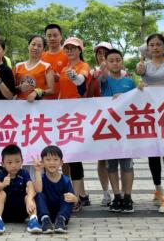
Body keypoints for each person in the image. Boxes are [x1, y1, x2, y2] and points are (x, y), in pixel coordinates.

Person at [136, 33, 164, 213]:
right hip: (149, 115)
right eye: (151, 45)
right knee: (153, 154)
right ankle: (158, 188)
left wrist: (149, 88)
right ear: (148, 48)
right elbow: (139, 82)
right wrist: (140, 82)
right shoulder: (143, 66)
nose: (155, 48)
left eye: (158, 44)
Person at [100, 49, 137, 213]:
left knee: (127, 164)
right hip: (108, 128)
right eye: (111, 60)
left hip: (126, 128)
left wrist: (125, 97)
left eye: (118, 60)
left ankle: (127, 197)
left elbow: (137, 102)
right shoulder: (102, 80)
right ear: (106, 63)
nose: (115, 63)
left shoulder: (130, 82)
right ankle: (116, 196)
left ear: (122, 62)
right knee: (111, 164)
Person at [58, 37, 91, 210]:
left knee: (75, 158)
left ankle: (76, 199)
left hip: (77, 116)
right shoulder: (64, 68)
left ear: (80, 50)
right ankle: (81, 195)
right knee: (67, 158)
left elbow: (81, 81)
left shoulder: (83, 66)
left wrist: (74, 76)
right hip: (64, 117)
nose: (70, 50)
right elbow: (61, 92)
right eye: (67, 48)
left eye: (74, 48)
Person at [0, 144, 41, 235]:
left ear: (22, 161)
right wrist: (3, 184)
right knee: (0, 193)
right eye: (10, 162)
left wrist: (30, 199)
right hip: (5, 213)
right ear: (3, 164)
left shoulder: (24, 173)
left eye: (17, 161)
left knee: (29, 196)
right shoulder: (1, 173)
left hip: (21, 213)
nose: (14, 165)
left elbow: (30, 185)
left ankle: (33, 220)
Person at [88, 42, 114, 206]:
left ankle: (119, 192)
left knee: (118, 158)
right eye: (99, 53)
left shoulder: (122, 73)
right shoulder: (93, 72)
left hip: (117, 120)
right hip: (100, 119)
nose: (102, 55)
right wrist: (94, 77)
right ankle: (106, 193)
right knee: (102, 159)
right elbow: (89, 94)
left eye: (105, 52)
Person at [33, 145, 76, 234]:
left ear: (61, 162)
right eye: (48, 160)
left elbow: (73, 200)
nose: (52, 163)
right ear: (42, 162)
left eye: (55, 159)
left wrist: (75, 199)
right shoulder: (41, 178)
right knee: (39, 195)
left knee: (68, 196)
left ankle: (61, 220)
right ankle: (45, 220)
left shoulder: (65, 180)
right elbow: (38, 190)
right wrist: (37, 171)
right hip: (44, 211)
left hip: (61, 212)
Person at [13, 35, 55, 101]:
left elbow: (51, 90)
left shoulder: (46, 67)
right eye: (33, 44)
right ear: (28, 46)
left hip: (37, 105)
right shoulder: (18, 66)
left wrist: (36, 92)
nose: (35, 48)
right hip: (19, 105)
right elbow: (10, 88)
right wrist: (19, 88)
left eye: (39, 46)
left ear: (43, 49)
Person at [40, 24, 68, 100]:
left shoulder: (69, 55)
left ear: (61, 37)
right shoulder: (40, 57)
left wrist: (60, 78)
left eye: (55, 35)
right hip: (45, 100)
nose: (52, 38)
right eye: (49, 36)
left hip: (64, 99)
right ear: (45, 38)